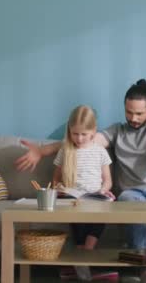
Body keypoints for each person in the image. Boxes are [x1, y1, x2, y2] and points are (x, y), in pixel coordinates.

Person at [16, 79, 146, 283]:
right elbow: (81, 142)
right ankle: (144, 270)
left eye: (139, 113)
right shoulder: (117, 131)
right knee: (130, 202)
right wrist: (41, 151)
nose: (133, 118)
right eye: (129, 112)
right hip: (133, 192)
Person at [52, 105, 114, 281]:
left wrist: (104, 190)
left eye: (84, 134)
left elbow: (108, 180)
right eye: (75, 134)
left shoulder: (100, 151)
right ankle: (83, 267)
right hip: (73, 199)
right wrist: (60, 189)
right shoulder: (66, 150)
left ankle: (84, 257)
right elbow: (55, 179)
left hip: (94, 198)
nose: (79, 138)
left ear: (93, 132)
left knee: (103, 215)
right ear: (69, 131)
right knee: (77, 217)